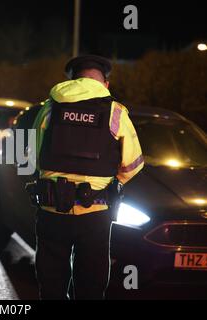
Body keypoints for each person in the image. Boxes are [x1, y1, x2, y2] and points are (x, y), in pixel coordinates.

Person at [30, 55, 144, 300]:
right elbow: (133, 164)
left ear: (72, 80)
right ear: (106, 84)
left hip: (52, 212)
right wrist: (109, 182)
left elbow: (33, 153)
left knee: (51, 285)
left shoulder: (50, 107)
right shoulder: (115, 112)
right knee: (90, 285)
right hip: (94, 214)